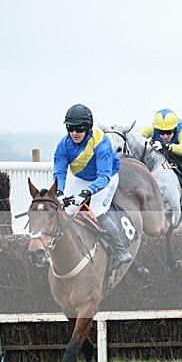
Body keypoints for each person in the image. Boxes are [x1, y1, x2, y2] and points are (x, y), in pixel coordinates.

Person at [53, 104, 133, 266]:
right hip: (81, 177)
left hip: (106, 178)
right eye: (71, 128)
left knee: (96, 210)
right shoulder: (63, 145)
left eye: (79, 129)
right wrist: (60, 191)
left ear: (88, 128)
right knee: (65, 210)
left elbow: (103, 176)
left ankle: (121, 252)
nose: (74, 133)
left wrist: (87, 192)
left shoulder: (101, 143)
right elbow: (59, 172)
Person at [139, 108, 182, 204]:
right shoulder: (153, 128)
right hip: (161, 154)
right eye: (161, 132)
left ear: (175, 128)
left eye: (169, 132)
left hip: (180, 155)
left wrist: (168, 146)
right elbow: (137, 137)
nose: (165, 136)